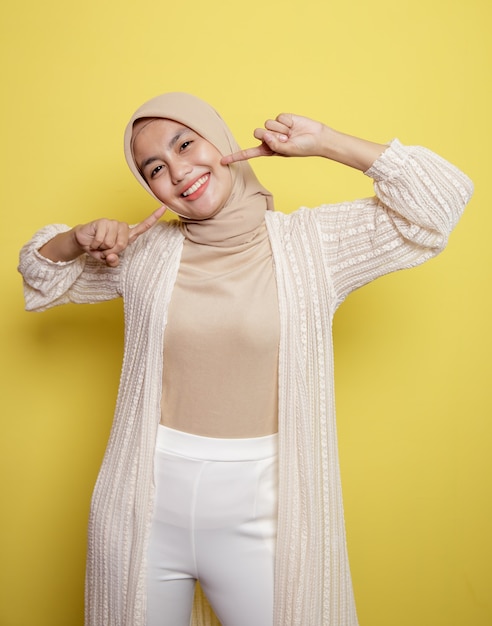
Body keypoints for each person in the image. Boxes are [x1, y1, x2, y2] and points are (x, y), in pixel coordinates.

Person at [18, 92, 473, 626]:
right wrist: (76, 239)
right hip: (143, 504)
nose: (179, 171)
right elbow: (40, 274)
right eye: (156, 168)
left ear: (224, 144)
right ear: (151, 188)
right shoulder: (144, 255)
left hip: (263, 509)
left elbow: (439, 202)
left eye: (186, 144)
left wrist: (325, 142)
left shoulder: (313, 246)